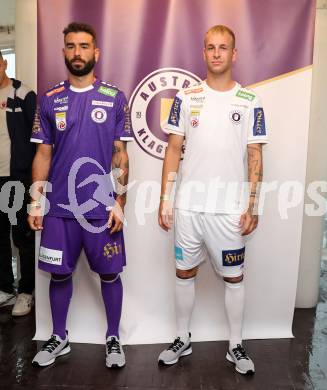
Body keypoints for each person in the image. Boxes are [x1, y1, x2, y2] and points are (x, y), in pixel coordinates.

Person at [158, 25, 268, 375]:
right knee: (183, 271)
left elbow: (255, 156)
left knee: (234, 277)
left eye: (223, 47)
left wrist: (251, 204)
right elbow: (173, 150)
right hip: (189, 206)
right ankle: (182, 337)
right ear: (203, 53)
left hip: (229, 209)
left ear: (234, 54)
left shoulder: (250, 101)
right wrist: (165, 199)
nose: (217, 53)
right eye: (210, 47)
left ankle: (235, 345)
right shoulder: (186, 98)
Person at [28, 22, 133, 368]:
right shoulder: (49, 99)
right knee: (59, 274)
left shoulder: (115, 97)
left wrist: (119, 203)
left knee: (109, 274)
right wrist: (35, 199)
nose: (77, 52)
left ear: (96, 53)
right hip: (59, 208)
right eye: (71, 46)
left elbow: (120, 154)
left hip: (101, 209)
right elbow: (43, 154)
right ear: (63, 52)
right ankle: (60, 336)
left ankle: (113, 337)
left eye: (84, 46)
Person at [0, 50, 36, 316]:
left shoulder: (22, 94)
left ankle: (26, 292)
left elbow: (37, 139)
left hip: (17, 177)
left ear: (3, 64)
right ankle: (5, 289)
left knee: (21, 235)